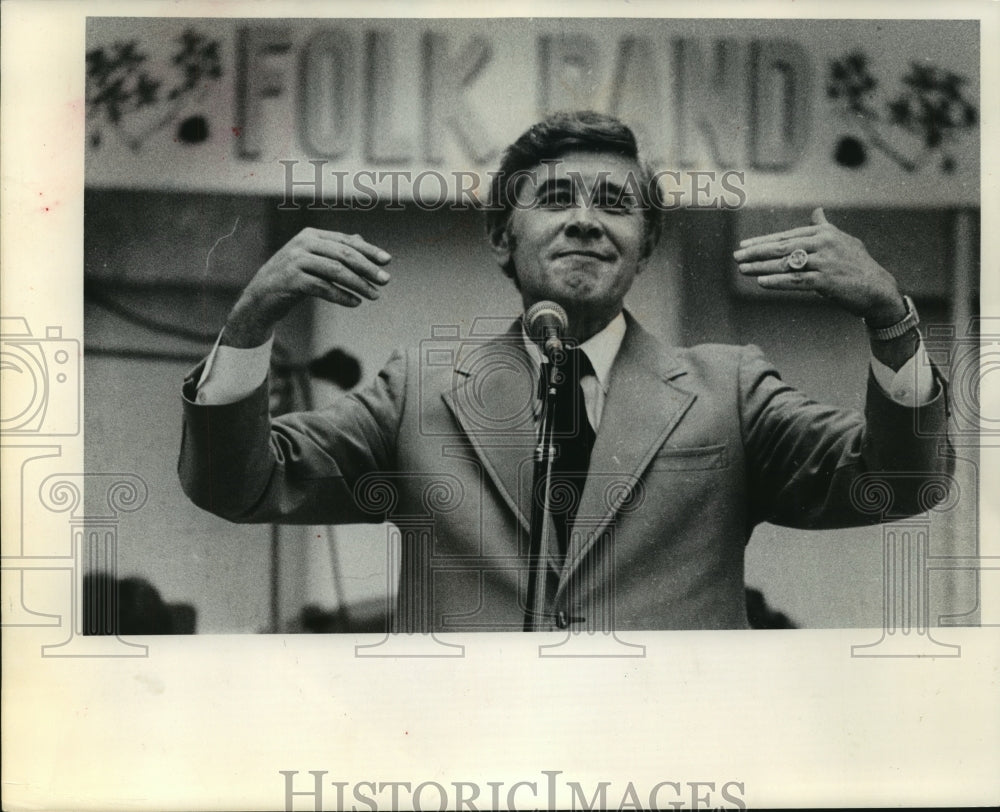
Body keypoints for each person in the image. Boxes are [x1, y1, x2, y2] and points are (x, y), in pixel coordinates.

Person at [179, 111, 951, 633]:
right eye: (555, 198)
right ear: (500, 238)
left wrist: (891, 321)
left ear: (644, 246)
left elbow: (900, 482)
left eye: (615, 202)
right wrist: (252, 321)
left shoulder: (729, 390)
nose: (585, 217)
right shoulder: (420, 393)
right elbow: (239, 485)